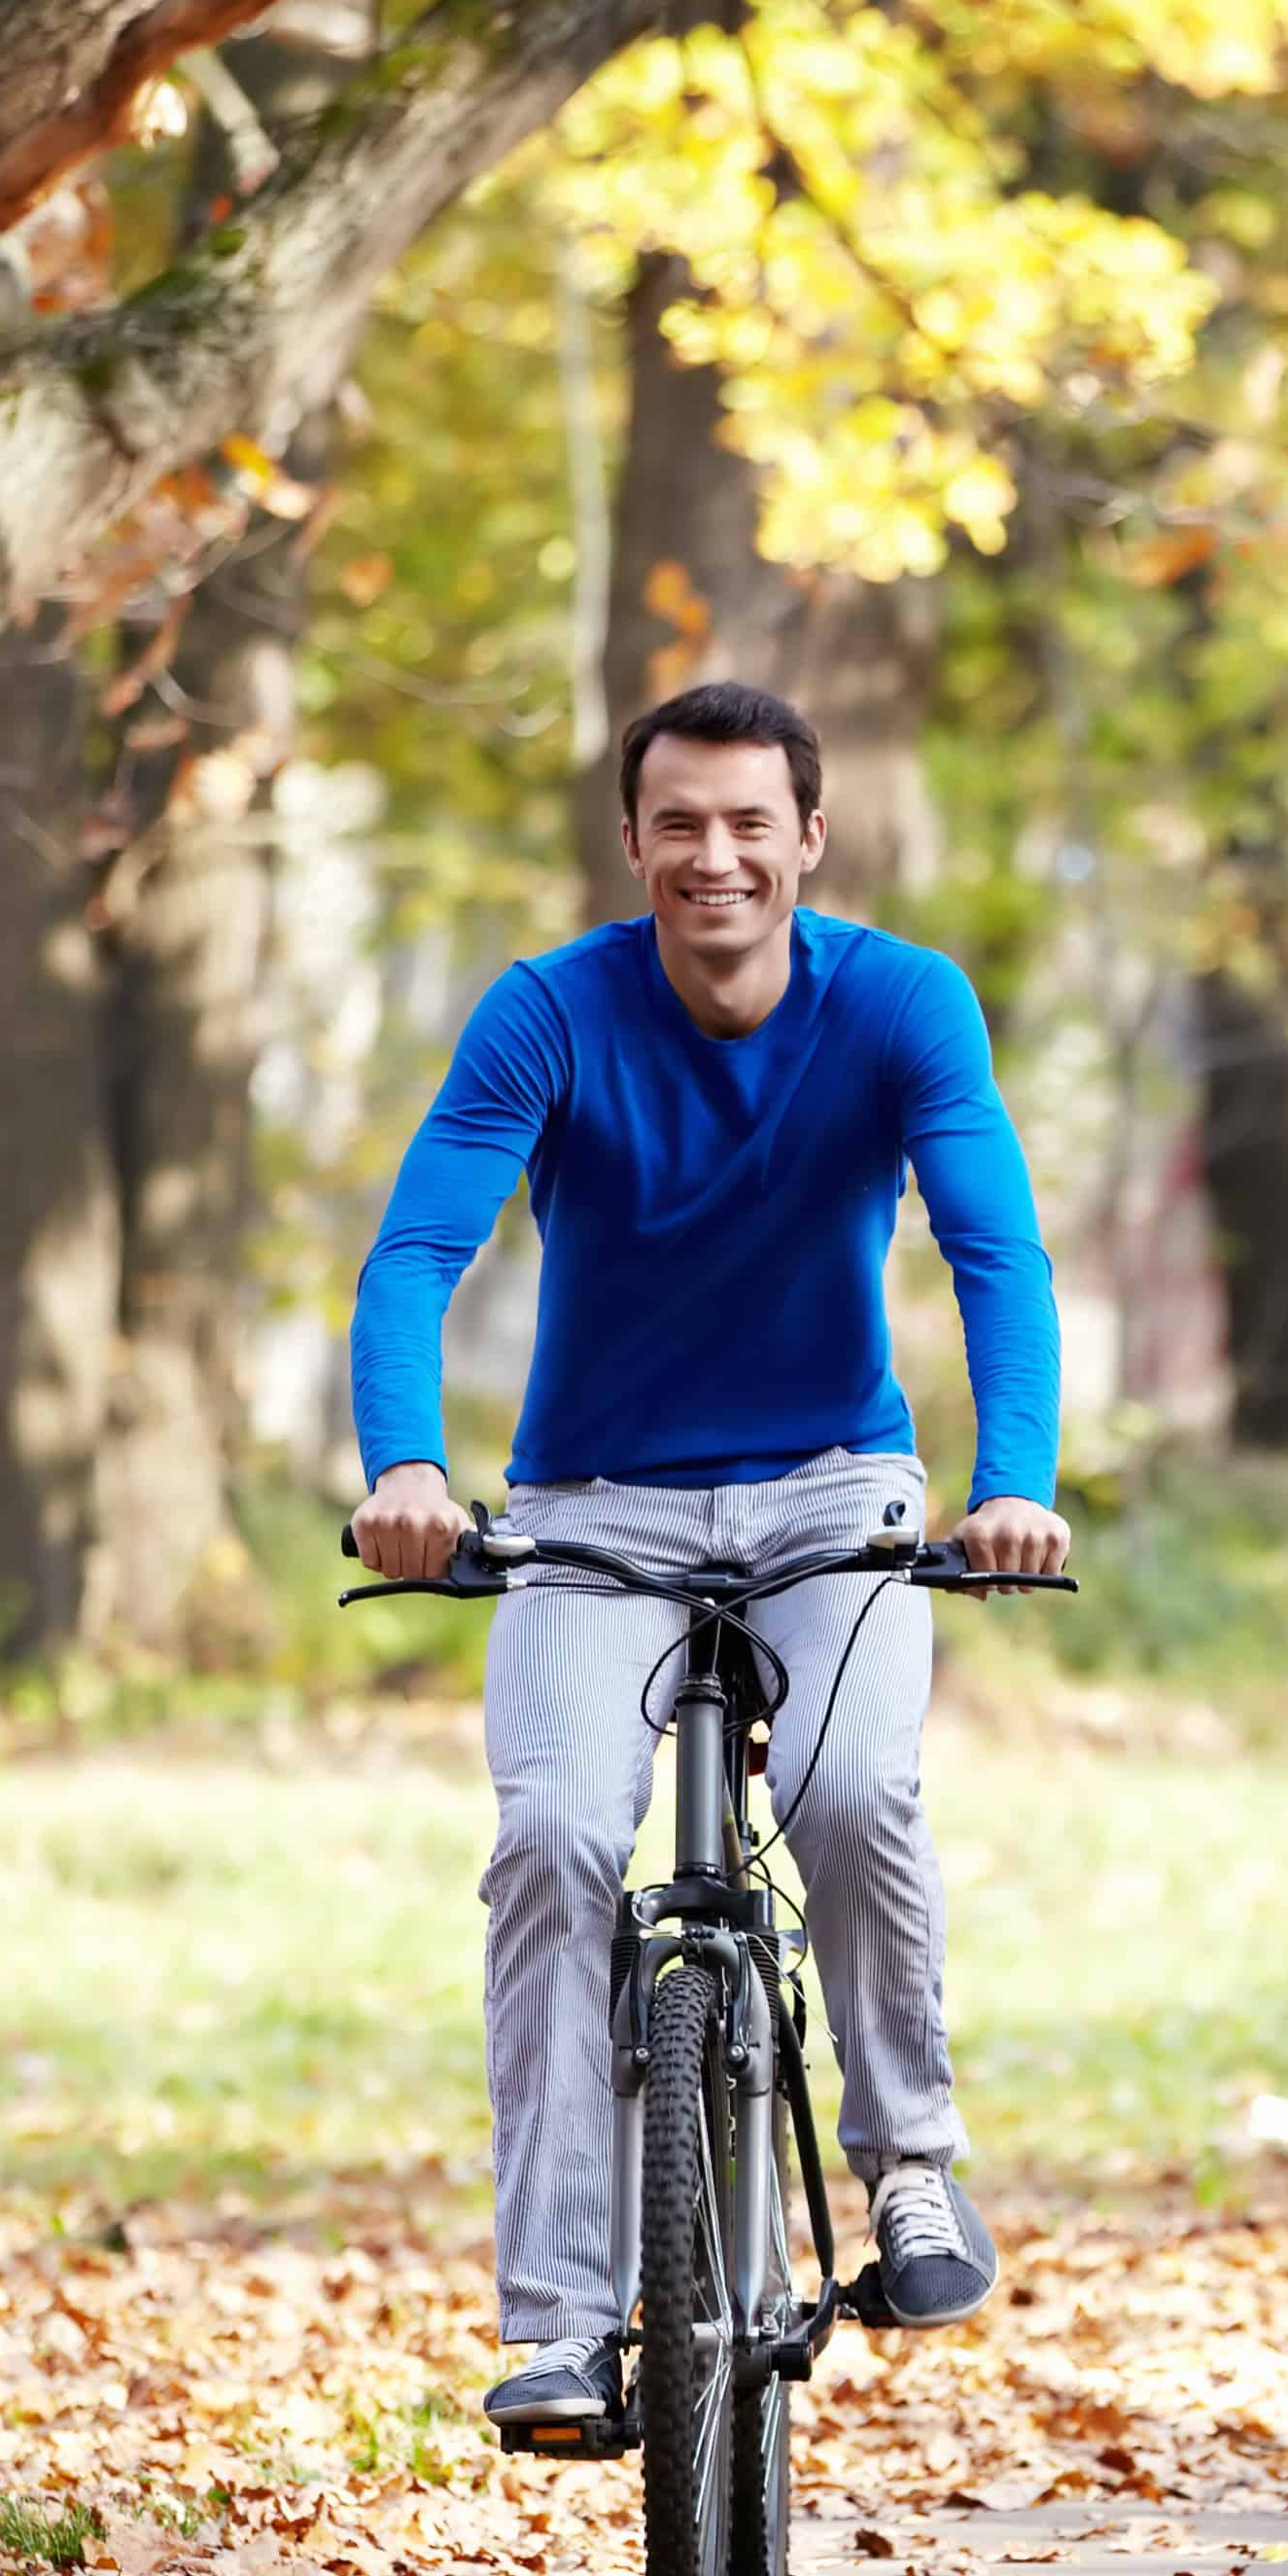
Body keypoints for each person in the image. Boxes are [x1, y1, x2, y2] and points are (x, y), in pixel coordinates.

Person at [344, 680, 1069, 2435]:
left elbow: (998, 1253)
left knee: (853, 1798)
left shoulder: (901, 1002)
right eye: (682, 823)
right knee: (553, 1841)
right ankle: (558, 2321)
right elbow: (413, 1254)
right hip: (592, 1504)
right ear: (634, 840)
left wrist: (1014, 1482)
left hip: (834, 1490)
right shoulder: (549, 1014)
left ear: (811, 839)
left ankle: (909, 2164)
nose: (717, 856)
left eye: (753, 823)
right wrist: (409, 1465)